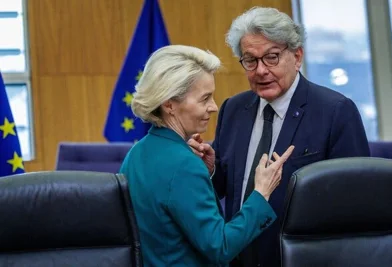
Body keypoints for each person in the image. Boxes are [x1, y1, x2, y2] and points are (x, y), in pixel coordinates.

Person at [188, 7, 370, 267]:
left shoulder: (335, 111)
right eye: (250, 60)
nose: (261, 70)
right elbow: (226, 188)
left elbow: (356, 199)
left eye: (271, 57)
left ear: (297, 57)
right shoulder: (233, 109)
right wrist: (212, 169)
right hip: (239, 257)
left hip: (305, 259)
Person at [119, 45, 295, 266]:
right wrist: (261, 192)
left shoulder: (136, 153)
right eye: (204, 99)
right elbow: (220, 247)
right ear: (169, 104)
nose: (213, 107)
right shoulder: (184, 165)